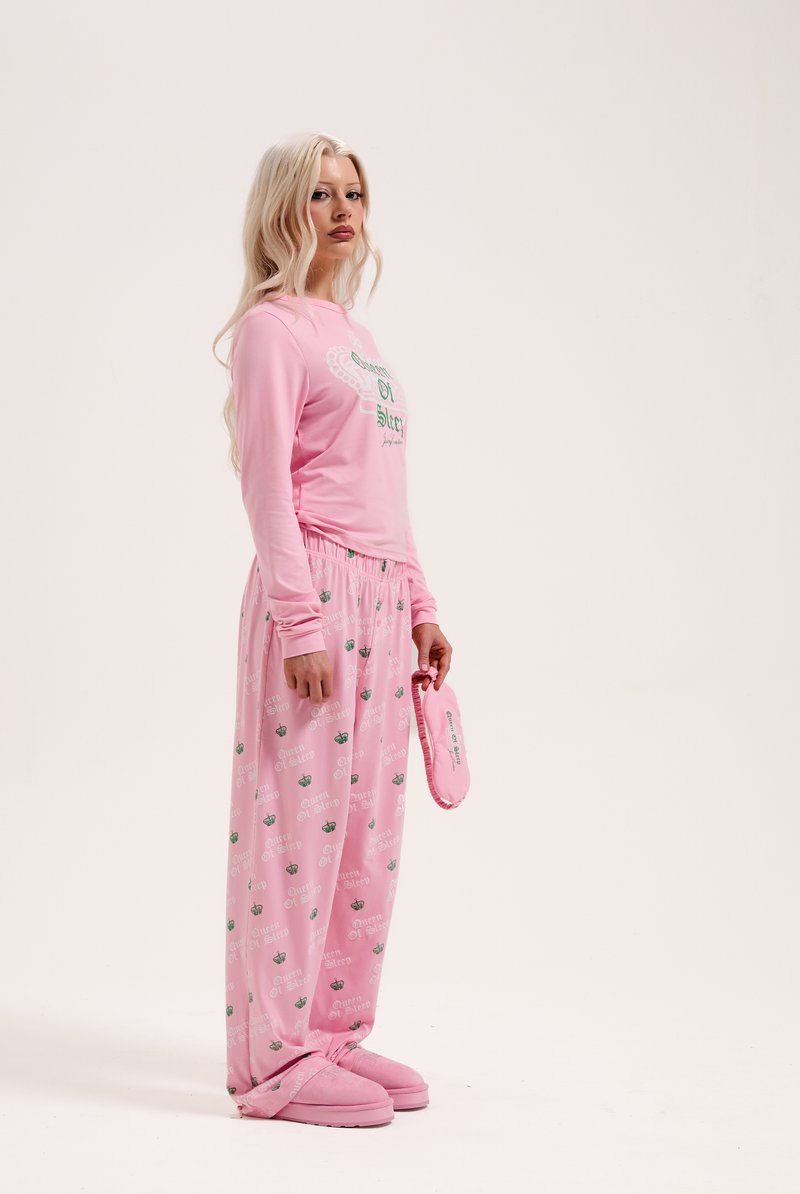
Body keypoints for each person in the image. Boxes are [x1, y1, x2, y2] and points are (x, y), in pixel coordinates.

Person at [213, 132, 453, 1128]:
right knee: (293, 833)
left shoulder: (356, 335)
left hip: (381, 598)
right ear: (284, 208)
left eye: (353, 193)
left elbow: (385, 488)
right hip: (312, 590)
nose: (343, 209)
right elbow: (266, 485)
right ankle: (273, 1062)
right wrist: (298, 618)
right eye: (320, 193)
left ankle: (332, 1033)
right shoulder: (273, 330)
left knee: (365, 836)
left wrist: (421, 603)